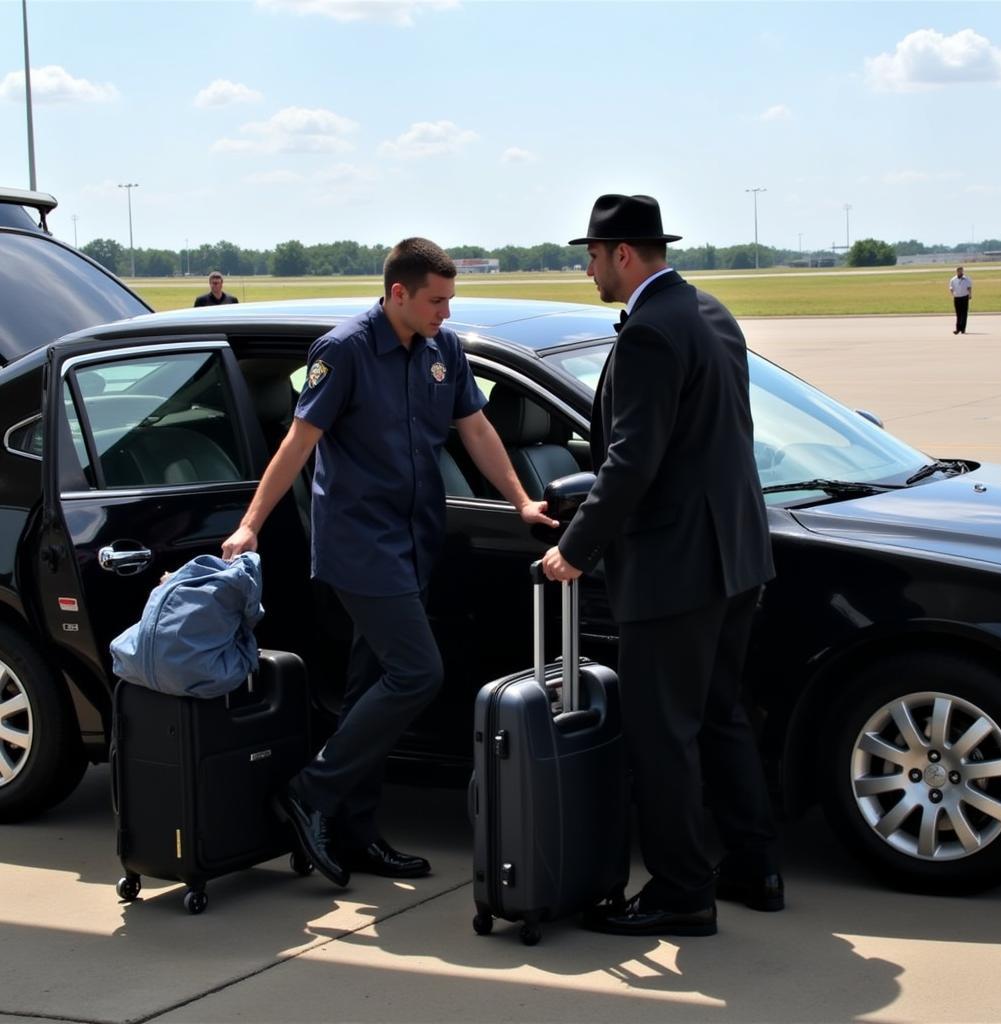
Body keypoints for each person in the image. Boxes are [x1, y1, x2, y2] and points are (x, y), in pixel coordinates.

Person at [222, 238, 556, 887]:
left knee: (367, 686)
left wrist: (518, 501)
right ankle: (311, 792)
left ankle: (355, 833)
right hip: (359, 544)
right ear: (398, 293)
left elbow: (477, 429)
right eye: (436, 301)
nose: (446, 313)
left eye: (450, 300)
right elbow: (299, 442)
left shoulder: (443, 351)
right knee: (416, 671)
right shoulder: (344, 350)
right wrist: (250, 524)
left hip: (416, 539)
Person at [542, 194, 781, 937]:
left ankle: (682, 892)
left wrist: (573, 549)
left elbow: (631, 461)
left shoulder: (649, 332)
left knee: (662, 733)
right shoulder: (710, 313)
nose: (587, 269)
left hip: (676, 569)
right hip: (737, 555)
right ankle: (754, 867)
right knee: (720, 715)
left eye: (591, 255)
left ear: (621, 254)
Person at [949, 265, 972, 335]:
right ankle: (957, 329)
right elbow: (951, 287)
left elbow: (969, 287)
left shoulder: (967, 279)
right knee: (958, 314)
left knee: (964, 313)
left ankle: (963, 329)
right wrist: (952, 293)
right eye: (958, 271)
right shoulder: (953, 279)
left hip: (965, 297)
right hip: (957, 298)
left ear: (962, 271)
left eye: (960, 270)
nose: (959, 272)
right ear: (956, 271)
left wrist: (970, 294)